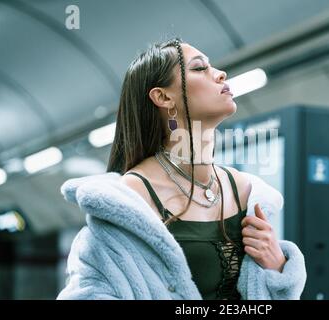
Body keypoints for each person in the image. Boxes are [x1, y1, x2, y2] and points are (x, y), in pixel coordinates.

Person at [57, 38, 306, 300]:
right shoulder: (129, 200)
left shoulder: (245, 191)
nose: (220, 74)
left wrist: (277, 269)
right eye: (200, 68)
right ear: (163, 97)